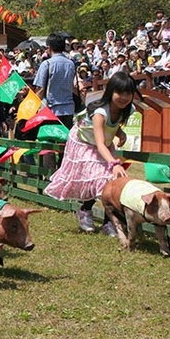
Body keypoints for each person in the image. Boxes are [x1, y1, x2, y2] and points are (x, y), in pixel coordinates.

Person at [44, 72, 140, 235]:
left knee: (110, 181)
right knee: (95, 177)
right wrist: (114, 163)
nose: (124, 97)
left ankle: (109, 223)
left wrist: (119, 133)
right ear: (111, 92)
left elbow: (112, 126)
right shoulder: (100, 112)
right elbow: (100, 142)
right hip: (84, 142)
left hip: (102, 143)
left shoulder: (128, 109)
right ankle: (84, 210)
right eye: (120, 93)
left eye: (128, 93)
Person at [34, 33, 76, 129]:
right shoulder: (71, 64)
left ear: (49, 47)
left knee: (50, 141)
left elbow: (40, 90)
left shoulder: (46, 64)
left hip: (51, 110)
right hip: (68, 109)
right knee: (65, 141)